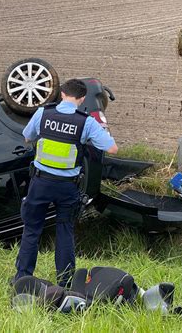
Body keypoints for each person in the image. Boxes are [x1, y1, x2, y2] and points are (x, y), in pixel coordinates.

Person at [14, 78, 118, 286]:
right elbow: (112, 148)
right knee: (65, 232)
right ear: (81, 99)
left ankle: (23, 278)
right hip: (67, 187)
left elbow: (27, 137)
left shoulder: (44, 113)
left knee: (32, 230)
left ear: (62, 94)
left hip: (40, 183)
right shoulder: (86, 121)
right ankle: (65, 282)